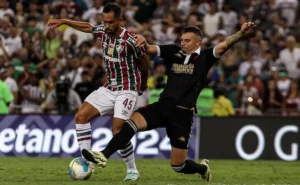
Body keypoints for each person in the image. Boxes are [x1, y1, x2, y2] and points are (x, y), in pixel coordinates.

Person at [81, 22, 256, 181]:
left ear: (198, 43)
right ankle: (103, 155)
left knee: (177, 165)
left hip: (183, 114)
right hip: (163, 106)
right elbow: (149, 48)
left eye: (187, 40)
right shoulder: (173, 52)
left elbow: (225, 44)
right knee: (131, 123)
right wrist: (139, 39)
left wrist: (240, 34)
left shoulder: (205, 57)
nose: (183, 43)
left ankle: (202, 168)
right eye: (182, 40)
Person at [46, 3, 149, 181]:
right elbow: (88, 27)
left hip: (127, 88)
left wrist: (143, 84)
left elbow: (144, 63)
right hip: (109, 87)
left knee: (118, 130)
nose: (107, 26)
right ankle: (87, 162)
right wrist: (64, 21)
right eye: (105, 22)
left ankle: (132, 170)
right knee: (81, 117)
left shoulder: (130, 40)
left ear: (120, 20)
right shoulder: (103, 31)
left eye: (111, 22)